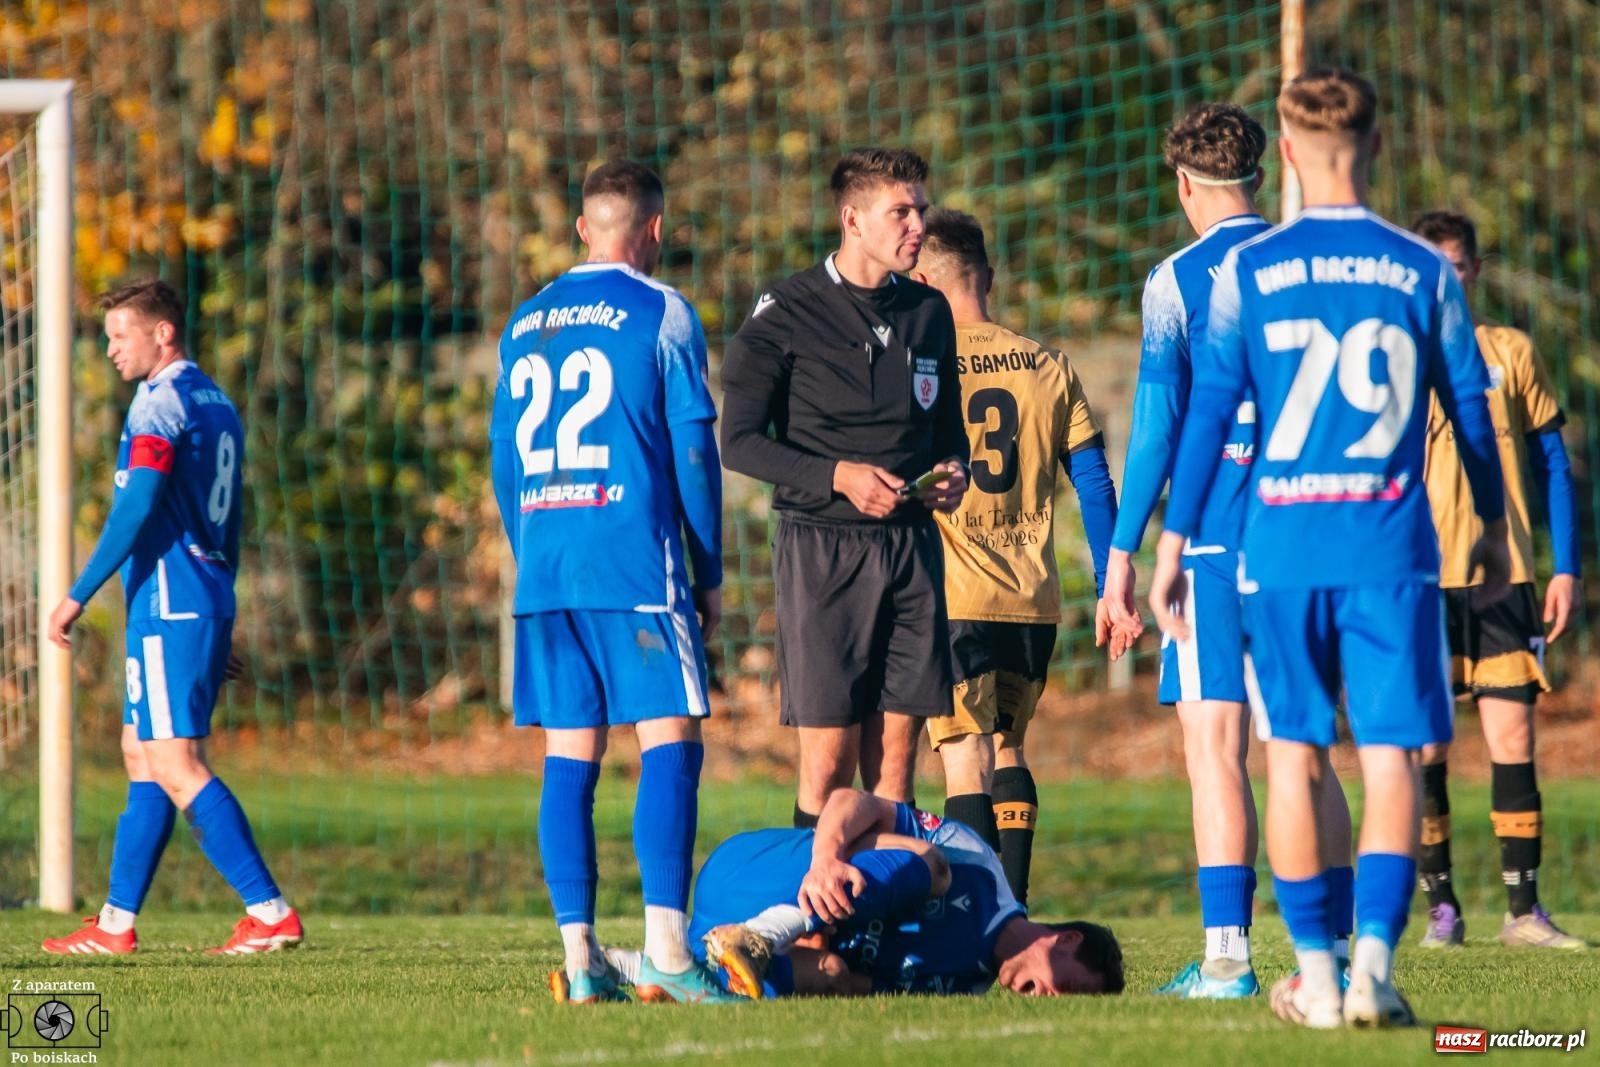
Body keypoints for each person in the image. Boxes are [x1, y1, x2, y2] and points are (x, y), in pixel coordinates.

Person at [1149, 68, 1512, 1030]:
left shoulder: (1249, 275)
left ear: (1289, 147)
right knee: (1392, 760)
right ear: (1378, 146)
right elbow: (1470, 412)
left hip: (1280, 546)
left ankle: (1312, 974)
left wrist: (1171, 540)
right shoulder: (1423, 269)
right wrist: (1499, 530)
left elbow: (1209, 413)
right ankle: (1374, 972)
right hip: (1392, 546)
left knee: (1294, 755)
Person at [1107, 103, 1354, 999]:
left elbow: (1157, 429)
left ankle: (1226, 959)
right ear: (1260, 174)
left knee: (1216, 744)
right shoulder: (1311, 267)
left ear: (1183, 184)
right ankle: (1355, 952)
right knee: (1307, 743)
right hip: (1306, 536)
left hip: (1211, 546)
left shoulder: (1176, 281)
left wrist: (1121, 552)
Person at [489, 160, 727, 1004]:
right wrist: (710, 571)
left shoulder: (524, 321)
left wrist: (537, 551)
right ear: (654, 231)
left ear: (584, 229)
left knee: (570, 756)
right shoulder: (663, 313)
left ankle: (583, 958)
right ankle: (665, 947)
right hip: (632, 563)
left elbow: (502, 465)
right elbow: (694, 453)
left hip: (546, 570)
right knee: (671, 740)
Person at [43, 280, 302, 956]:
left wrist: (77, 592)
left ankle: (269, 909)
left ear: (162, 333)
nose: (109, 349)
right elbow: (229, 521)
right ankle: (115, 924)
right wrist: (222, 604)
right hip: (201, 595)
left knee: (173, 758)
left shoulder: (158, 402)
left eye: (119, 335)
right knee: (141, 751)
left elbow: (136, 508)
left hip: (168, 600)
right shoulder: (216, 400)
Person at [720, 148, 970, 828]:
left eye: (921, 208)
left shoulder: (929, 312)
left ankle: (886, 927)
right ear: (852, 219)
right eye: (902, 211)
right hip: (823, 551)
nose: (918, 223)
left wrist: (956, 472)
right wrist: (837, 475)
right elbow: (737, 440)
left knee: (895, 764)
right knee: (828, 762)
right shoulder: (787, 311)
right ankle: (815, 929)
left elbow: (949, 431)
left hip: (912, 550)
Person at [906, 207, 1129, 906]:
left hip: (955, 599)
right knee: (1010, 749)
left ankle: (982, 921)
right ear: (989, 277)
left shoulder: (922, 367)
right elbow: (1093, 480)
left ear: (921, 280)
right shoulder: (1048, 364)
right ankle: (1017, 908)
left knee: (962, 757)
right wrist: (1108, 580)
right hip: (1032, 600)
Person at [1411, 211, 1586, 952]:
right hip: (1419, 578)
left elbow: (1553, 464)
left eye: (1459, 265)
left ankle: (1524, 910)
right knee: (1426, 747)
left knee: (1513, 733)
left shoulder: (1509, 351)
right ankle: (1441, 908)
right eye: (1434, 267)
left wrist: (1567, 565)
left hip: (1504, 575)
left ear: (1474, 270)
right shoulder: (1394, 356)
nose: (1449, 278)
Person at [607, 788, 1124, 999]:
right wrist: (825, 861)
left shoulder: (965, 984)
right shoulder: (976, 865)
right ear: (1067, 941)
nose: (1055, 1000)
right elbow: (850, 801)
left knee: (839, 978)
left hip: (723, 933)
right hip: (759, 871)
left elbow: (850, 983)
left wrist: (823, 957)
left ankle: (620, 967)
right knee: (930, 864)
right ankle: (763, 934)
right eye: (1072, 988)